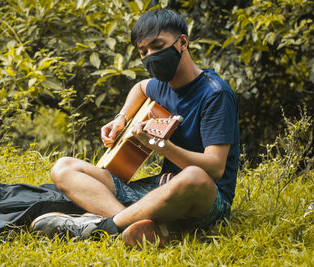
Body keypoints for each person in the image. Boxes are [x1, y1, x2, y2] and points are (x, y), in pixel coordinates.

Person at [30, 9, 240, 247]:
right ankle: (137, 226)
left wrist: (162, 147)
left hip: (207, 199)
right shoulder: (162, 85)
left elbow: (215, 168)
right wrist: (121, 118)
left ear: (182, 42)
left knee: (194, 176)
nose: (151, 55)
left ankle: (104, 226)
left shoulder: (216, 94)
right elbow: (140, 88)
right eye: (143, 52)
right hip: (163, 185)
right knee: (64, 167)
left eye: (157, 46)